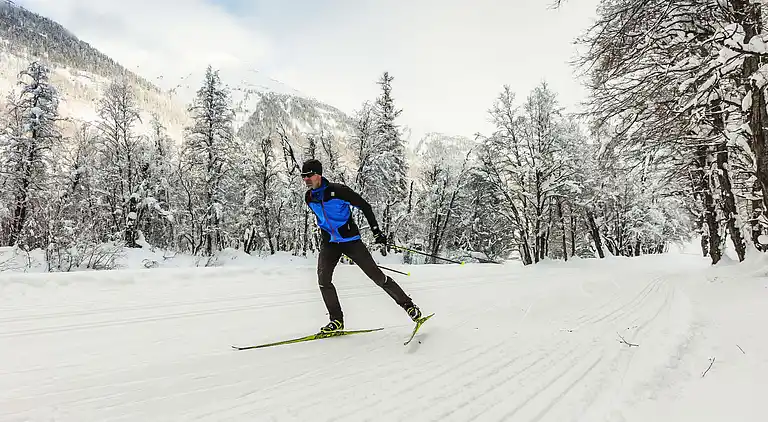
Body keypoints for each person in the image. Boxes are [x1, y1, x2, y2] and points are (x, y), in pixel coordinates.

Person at [301, 158, 422, 332]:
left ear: (318, 175)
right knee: (323, 281)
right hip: (330, 243)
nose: (306, 179)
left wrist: (376, 231)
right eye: (303, 176)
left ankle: (409, 306)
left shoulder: (338, 191)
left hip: (350, 241)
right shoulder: (309, 198)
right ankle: (337, 321)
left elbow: (365, 206)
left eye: (309, 175)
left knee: (377, 277)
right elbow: (322, 219)